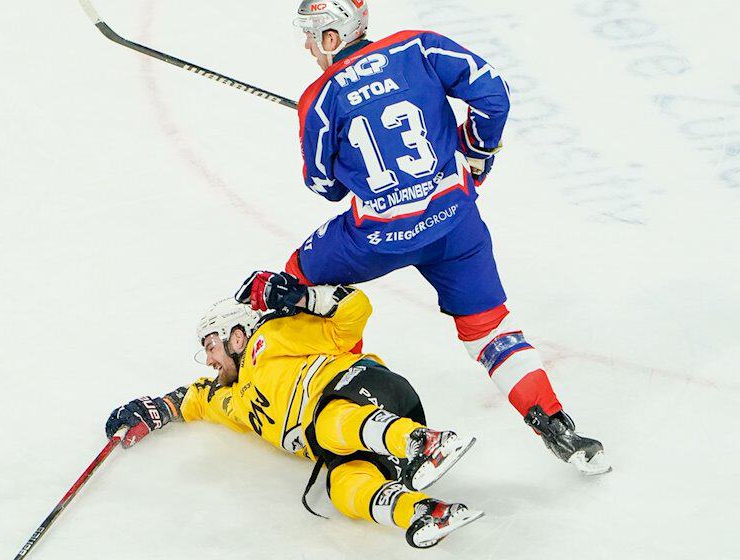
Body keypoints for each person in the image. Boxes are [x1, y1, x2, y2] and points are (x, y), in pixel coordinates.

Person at [288, 0, 609, 474]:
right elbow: (493, 93)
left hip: (376, 237)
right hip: (454, 222)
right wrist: (476, 152)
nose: (307, 44)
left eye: (311, 34)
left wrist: (341, 149)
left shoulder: (318, 98)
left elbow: (324, 186)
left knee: (295, 278)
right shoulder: (418, 47)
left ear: (333, 37)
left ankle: (337, 401)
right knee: (489, 329)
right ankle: (558, 426)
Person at [105, 274, 482, 549]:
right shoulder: (233, 401)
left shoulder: (272, 337)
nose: (208, 360)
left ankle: (425, 442)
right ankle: (423, 512)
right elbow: (194, 399)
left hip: (369, 391)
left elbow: (355, 310)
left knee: (327, 426)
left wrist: (302, 298)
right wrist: (153, 410)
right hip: (359, 438)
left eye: (211, 346)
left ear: (237, 336)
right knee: (344, 488)